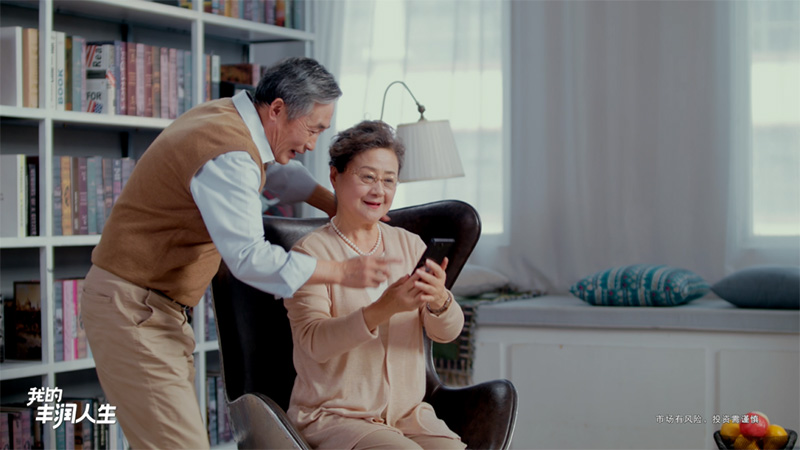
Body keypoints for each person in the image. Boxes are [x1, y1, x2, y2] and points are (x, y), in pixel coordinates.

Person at [80, 58, 398, 449]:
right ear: (277, 109)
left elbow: (275, 173)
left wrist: (334, 204)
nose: (312, 144)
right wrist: (342, 272)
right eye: (313, 129)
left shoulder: (229, 119)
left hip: (148, 307)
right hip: (133, 308)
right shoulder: (229, 152)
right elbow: (249, 258)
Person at [285, 120, 467, 450]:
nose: (378, 191)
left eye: (388, 180)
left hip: (408, 416)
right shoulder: (310, 254)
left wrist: (440, 300)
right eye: (367, 177)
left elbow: (447, 333)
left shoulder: (410, 245)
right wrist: (384, 309)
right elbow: (314, 343)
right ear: (334, 176)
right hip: (336, 416)